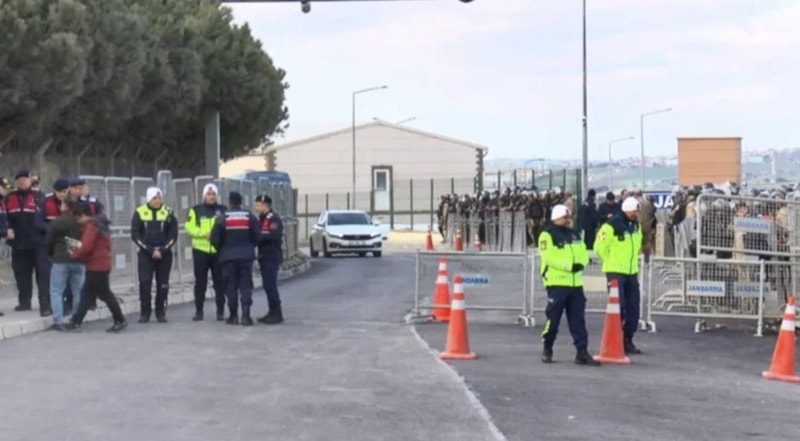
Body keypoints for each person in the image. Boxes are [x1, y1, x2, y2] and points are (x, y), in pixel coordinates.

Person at [537, 204, 599, 366]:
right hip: (557, 283)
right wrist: (569, 266)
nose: (568, 220)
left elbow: (583, 253)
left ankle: (582, 351)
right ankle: (547, 348)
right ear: (556, 217)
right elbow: (548, 257)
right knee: (553, 319)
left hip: (575, 284)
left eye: (568, 217)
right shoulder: (547, 235)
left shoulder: (574, 234)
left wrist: (581, 264)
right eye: (565, 217)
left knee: (578, 320)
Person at [594, 196, 644, 355]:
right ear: (627, 210)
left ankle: (628, 339)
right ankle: (616, 339)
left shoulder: (636, 226)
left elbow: (637, 244)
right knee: (619, 307)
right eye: (634, 211)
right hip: (615, 272)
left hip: (631, 271)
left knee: (633, 307)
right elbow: (599, 247)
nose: (636, 214)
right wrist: (609, 261)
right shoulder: (611, 226)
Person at [67, 202, 127, 333]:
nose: (77, 221)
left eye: (77, 218)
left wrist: (73, 255)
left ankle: (120, 319)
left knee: (105, 294)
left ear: (83, 215)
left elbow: (86, 247)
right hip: (101, 264)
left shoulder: (91, 226)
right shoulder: (100, 225)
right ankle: (76, 321)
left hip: (96, 265)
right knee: (87, 294)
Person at [4, 169, 50, 315]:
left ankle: (45, 302)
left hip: (38, 243)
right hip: (19, 244)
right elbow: (5, 217)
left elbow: (46, 217)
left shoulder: (39, 196)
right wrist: (7, 229)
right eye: (19, 180)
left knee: (42, 274)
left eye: (25, 179)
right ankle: (24, 302)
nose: (22, 182)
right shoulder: (10, 197)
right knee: (21, 274)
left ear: (30, 181)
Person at [210, 191, 259, 326]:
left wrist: (222, 250)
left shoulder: (222, 218)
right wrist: (249, 247)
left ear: (230, 202)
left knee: (230, 285)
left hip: (228, 257)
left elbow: (214, 239)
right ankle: (246, 315)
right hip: (246, 256)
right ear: (241, 202)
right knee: (245, 284)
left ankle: (233, 316)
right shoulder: (250, 217)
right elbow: (257, 236)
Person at [131, 186, 178, 323]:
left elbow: (173, 235)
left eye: (159, 198)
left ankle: (160, 311)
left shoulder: (168, 212)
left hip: (164, 254)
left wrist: (162, 250)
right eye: (154, 198)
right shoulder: (140, 212)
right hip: (146, 254)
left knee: (163, 284)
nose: (157, 201)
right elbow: (135, 234)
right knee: (145, 283)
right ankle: (145, 312)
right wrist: (150, 250)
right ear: (148, 199)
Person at [185, 183, 226, 321]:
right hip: (200, 251)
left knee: (219, 282)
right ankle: (199, 311)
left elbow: (226, 227)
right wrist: (204, 233)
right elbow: (189, 227)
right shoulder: (196, 210)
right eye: (208, 194)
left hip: (217, 251)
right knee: (200, 282)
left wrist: (215, 236)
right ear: (204, 196)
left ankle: (220, 311)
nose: (211, 197)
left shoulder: (223, 210)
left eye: (213, 194)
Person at [45, 198, 84, 330]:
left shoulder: (57, 221)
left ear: (65, 206)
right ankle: (76, 319)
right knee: (78, 290)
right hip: (78, 258)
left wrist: (50, 254)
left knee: (56, 290)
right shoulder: (80, 221)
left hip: (60, 258)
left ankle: (59, 320)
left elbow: (49, 240)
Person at [36, 178, 73, 313]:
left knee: (70, 273)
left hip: (68, 242)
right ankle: (46, 305)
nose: (62, 194)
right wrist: (54, 230)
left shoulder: (73, 203)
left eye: (65, 191)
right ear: (55, 191)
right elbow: (38, 223)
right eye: (60, 191)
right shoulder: (45, 202)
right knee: (46, 274)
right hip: (48, 242)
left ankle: (69, 304)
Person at [254, 194, 284, 324]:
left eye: (258, 205)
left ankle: (277, 313)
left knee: (271, 285)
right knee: (267, 285)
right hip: (264, 256)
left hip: (271, 255)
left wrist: (258, 236)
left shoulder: (273, 219)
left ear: (265, 205)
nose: (256, 208)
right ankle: (272, 311)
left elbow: (272, 235)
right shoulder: (261, 219)